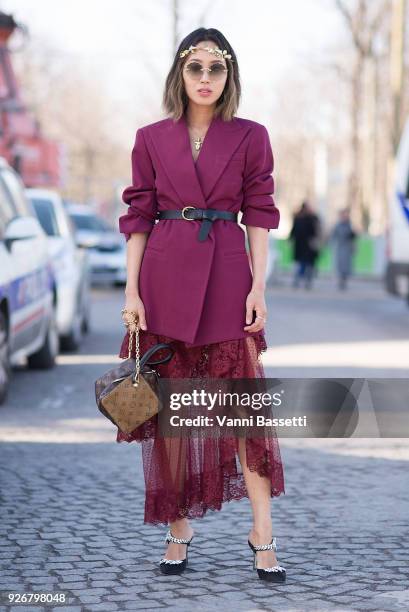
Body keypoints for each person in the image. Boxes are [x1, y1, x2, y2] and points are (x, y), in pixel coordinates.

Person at [117, 27, 286, 583]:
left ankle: (263, 532)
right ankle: (178, 526)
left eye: (217, 68)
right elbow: (139, 217)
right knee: (170, 417)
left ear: (229, 75)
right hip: (164, 277)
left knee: (242, 415)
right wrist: (132, 289)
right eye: (197, 68)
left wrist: (258, 286)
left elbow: (259, 215)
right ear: (180, 75)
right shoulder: (149, 138)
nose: (206, 79)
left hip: (227, 278)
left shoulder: (251, 135)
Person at [289, 200, 321, 289]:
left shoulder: (312, 218)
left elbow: (316, 231)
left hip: (307, 245)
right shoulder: (301, 218)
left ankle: (305, 281)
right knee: (302, 263)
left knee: (307, 264)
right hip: (302, 244)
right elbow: (294, 229)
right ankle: (299, 281)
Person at [330, 208, 357, 290]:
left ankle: (344, 279)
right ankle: (341, 280)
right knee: (340, 265)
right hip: (340, 247)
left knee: (346, 265)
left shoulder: (350, 225)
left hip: (347, 247)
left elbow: (353, 236)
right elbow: (333, 236)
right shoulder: (337, 225)